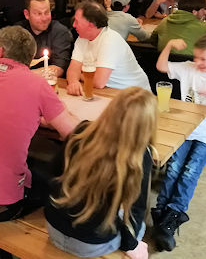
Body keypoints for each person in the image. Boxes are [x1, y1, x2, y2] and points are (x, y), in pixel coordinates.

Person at [0, 26, 78, 259]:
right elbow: (73, 134)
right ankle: (1, 251)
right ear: (30, 57)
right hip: (0, 209)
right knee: (57, 181)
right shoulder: (37, 85)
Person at [151, 34, 206, 252]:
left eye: (203, 59)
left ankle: (172, 216)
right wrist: (169, 45)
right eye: (196, 57)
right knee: (173, 168)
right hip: (186, 130)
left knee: (189, 172)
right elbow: (161, 66)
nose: (198, 62)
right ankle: (161, 213)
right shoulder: (188, 68)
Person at [45, 87, 156, 259]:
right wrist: (132, 245)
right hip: (91, 245)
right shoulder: (140, 156)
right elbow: (136, 209)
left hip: (54, 227)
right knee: (138, 225)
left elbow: (54, 174)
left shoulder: (81, 131)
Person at [66, 1, 150, 93]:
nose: (73, 25)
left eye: (77, 21)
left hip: (134, 94)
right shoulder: (82, 38)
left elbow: (99, 82)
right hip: (107, 91)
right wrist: (74, 82)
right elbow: (73, 68)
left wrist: (79, 76)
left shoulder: (110, 39)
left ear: (91, 24)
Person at [19, 0, 73, 77]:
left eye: (47, 12)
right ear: (27, 14)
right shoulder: (18, 31)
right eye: (38, 14)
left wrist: (22, 75)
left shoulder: (60, 32)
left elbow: (59, 68)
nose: (44, 18)